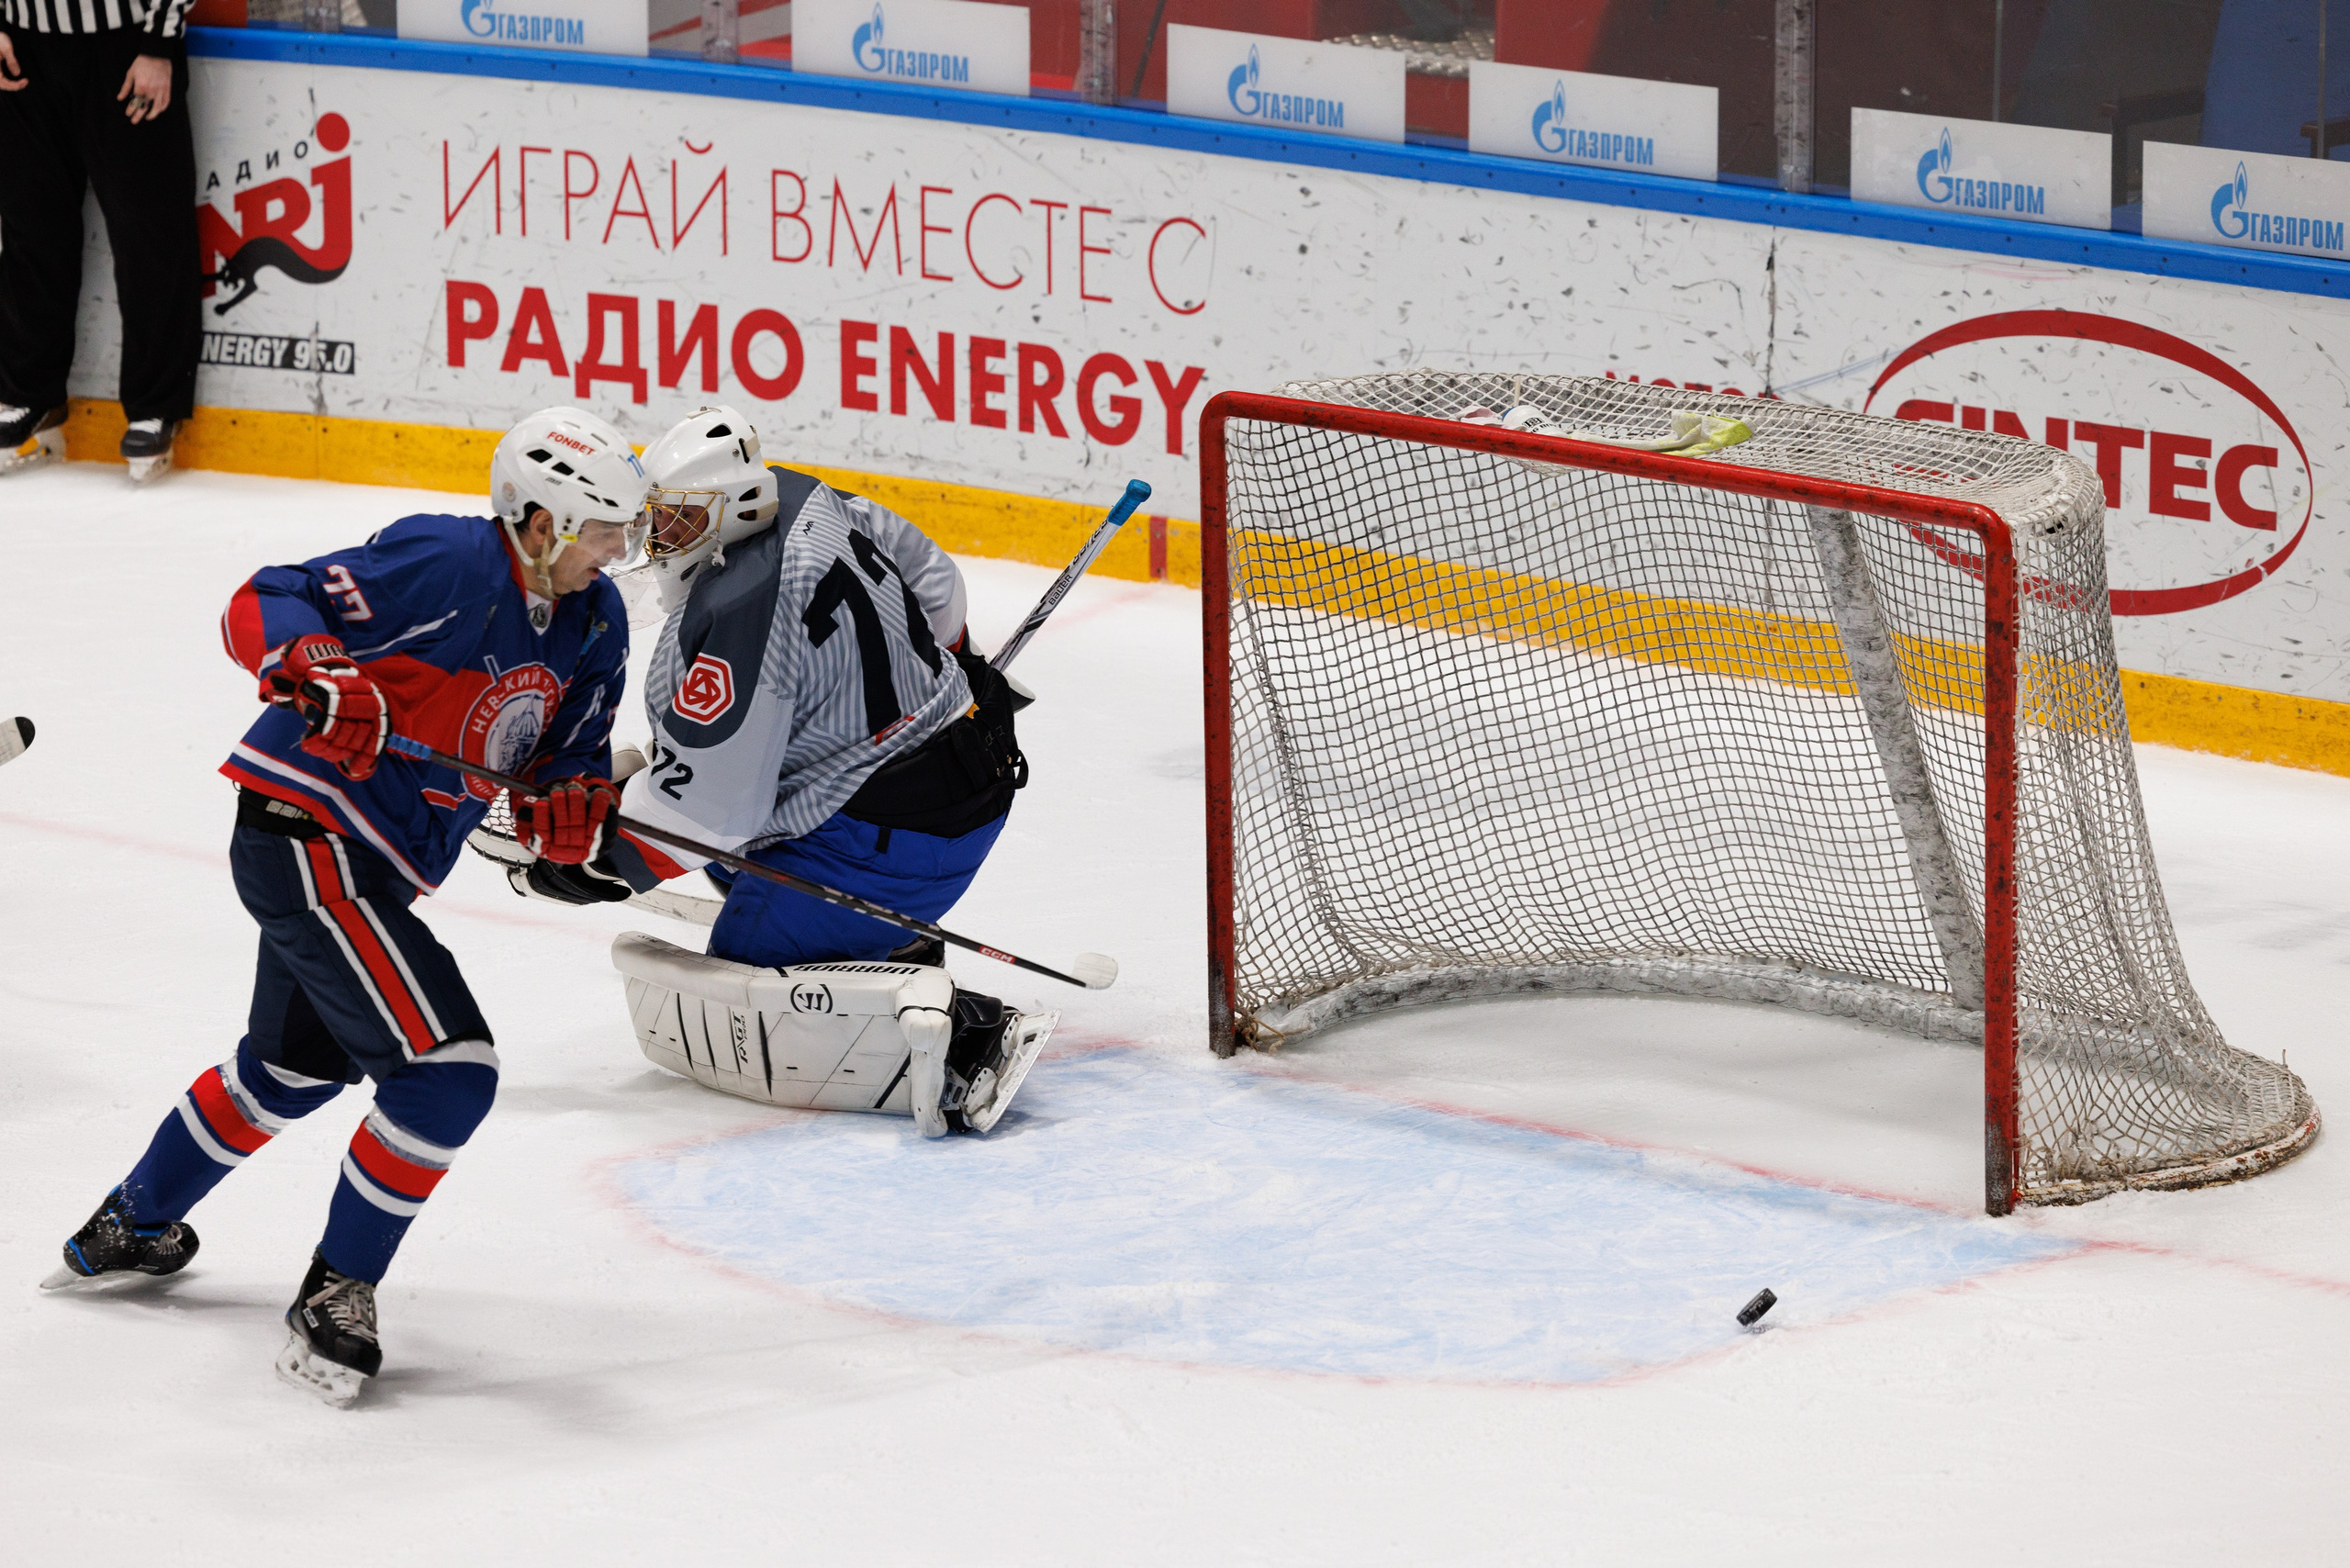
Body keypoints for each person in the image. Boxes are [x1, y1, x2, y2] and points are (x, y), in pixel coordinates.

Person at [41, 407, 661, 1408]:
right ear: (540, 521)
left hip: (373, 866)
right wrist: (318, 666)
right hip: (305, 834)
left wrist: (568, 808)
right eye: (602, 531)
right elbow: (267, 599)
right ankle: (336, 1295)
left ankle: (131, 1222)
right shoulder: (449, 562)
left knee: (290, 1068)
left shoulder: (597, 621)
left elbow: (562, 759)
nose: (615, 552)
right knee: (445, 1075)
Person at [526, 404, 1051, 1137]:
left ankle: (968, 1035)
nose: (656, 537)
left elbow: (712, 812)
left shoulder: (736, 614)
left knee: (766, 998)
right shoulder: (803, 493)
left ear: (732, 504)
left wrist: (596, 865)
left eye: (677, 518)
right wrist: (949, 668)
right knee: (734, 841)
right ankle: (885, 935)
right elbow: (934, 579)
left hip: (897, 840)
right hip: (970, 764)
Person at [0, 0, 202, 481]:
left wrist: (158, 43)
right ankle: (30, 393)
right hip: (21, 48)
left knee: (148, 232)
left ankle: (154, 406)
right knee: (30, 229)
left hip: (126, 46)